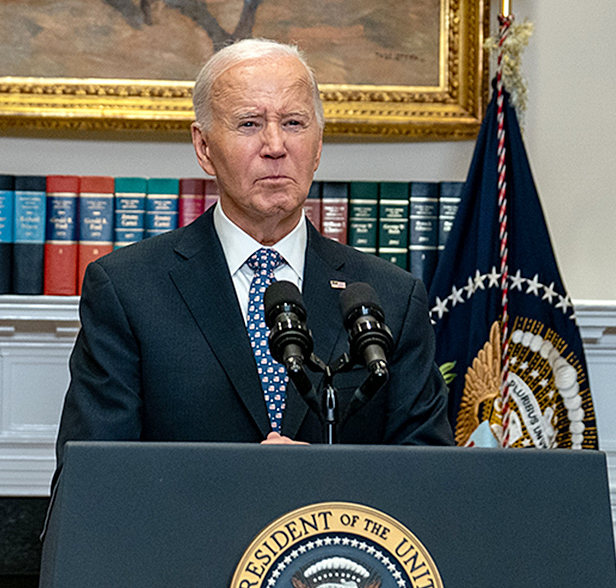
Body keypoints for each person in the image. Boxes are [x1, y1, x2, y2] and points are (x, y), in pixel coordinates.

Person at [54, 39, 454, 471]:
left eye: (295, 123)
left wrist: (326, 480)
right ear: (204, 147)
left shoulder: (390, 297)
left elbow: (430, 481)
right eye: (249, 124)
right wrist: (244, 488)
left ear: (318, 146)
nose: (275, 145)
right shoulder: (129, 291)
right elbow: (93, 479)